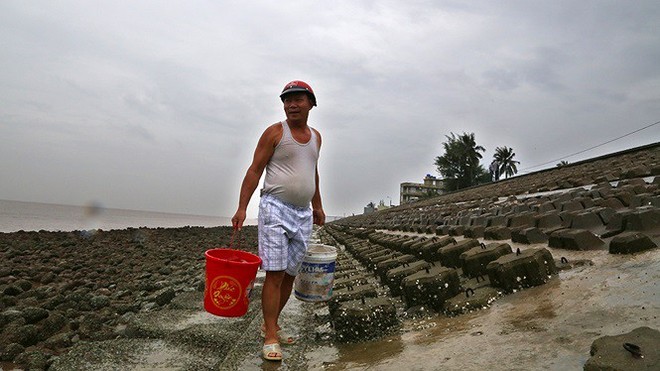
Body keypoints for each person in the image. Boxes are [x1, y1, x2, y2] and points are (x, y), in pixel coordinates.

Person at [231, 80, 325, 361]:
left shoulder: (317, 137)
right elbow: (254, 170)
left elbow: (313, 173)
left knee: (290, 274)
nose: (291, 104)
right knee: (274, 272)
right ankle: (271, 336)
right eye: (287, 100)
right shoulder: (275, 132)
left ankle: (269, 324)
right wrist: (241, 208)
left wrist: (318, 206)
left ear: (311, 103)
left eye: (298, 99)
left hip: (302, 213)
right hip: (274, 207)